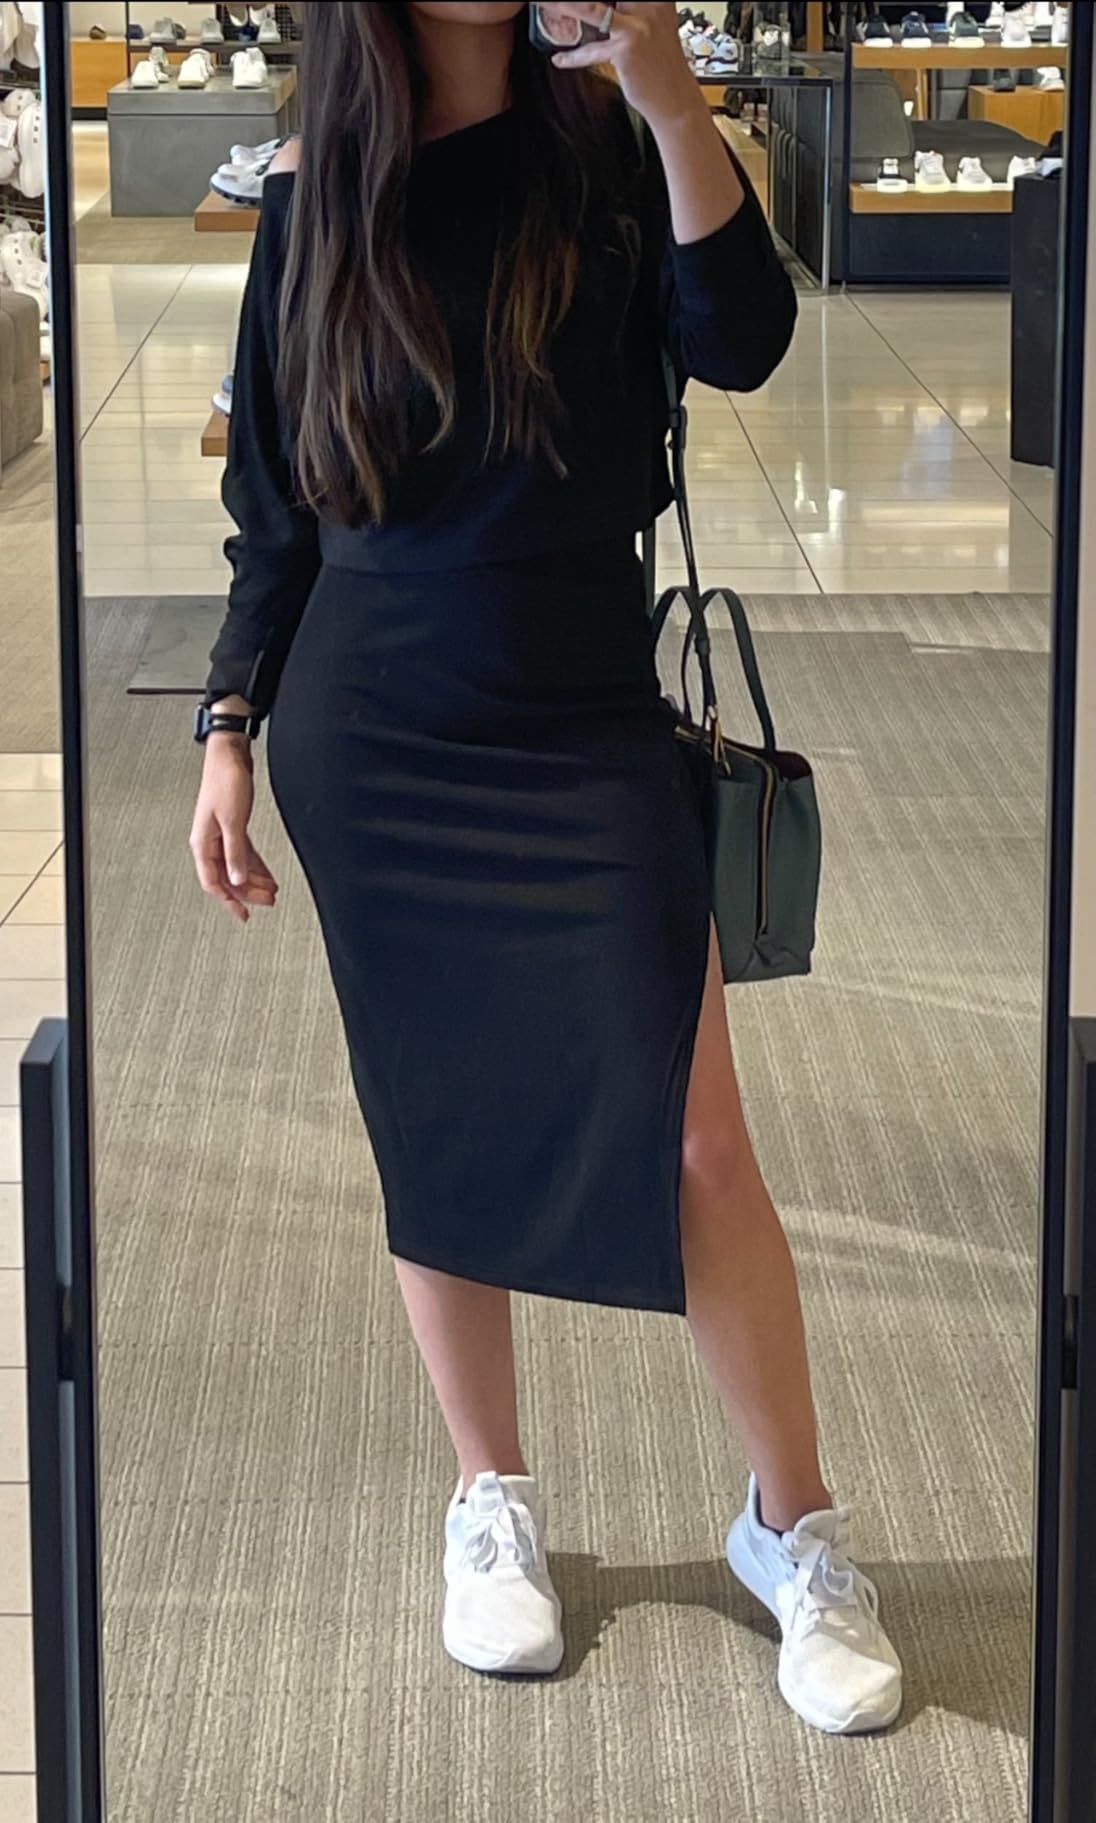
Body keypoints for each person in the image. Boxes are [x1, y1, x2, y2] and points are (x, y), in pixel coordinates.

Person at [191, 0, 902, 1734]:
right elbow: (282, 504)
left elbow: (741, 344)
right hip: (377, 736)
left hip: (582, 725)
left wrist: (670, 107)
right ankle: (491, 1496)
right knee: (435, 1120)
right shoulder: (317, 189)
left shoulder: (603, 146)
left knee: (696, 1139)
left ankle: (790, 1523)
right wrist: (226, 721)